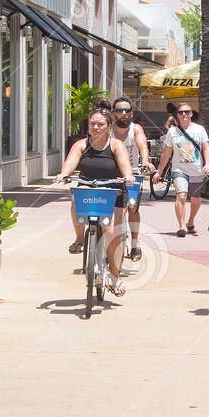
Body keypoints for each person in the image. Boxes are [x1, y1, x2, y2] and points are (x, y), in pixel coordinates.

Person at [56, 109, 134, 296]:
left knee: (111, 234)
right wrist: (64, 174)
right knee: (75, 199)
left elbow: (125, 166)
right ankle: (80, 238)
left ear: (108, 126)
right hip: (88, 187)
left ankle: (115, 278)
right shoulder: (81, 145)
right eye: (93, 124)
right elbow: (70, 162)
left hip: (112, 190)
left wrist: (128, 177)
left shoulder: (116, 145)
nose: (96, 127)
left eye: (100, 124)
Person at [155, 101, 209, 237]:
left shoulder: (199, 129)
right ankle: (181, 226)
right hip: (179, 170)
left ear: (191, 114)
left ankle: (190, 221)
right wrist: (159, 172)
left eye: (187, 112)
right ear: (177, 115)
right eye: (181, 112)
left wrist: (207, 164)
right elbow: (167, 153)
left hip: (197, 169)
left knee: (196, 198)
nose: (184, 114)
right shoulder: (173, 132)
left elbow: (206, 148)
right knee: (181, 195)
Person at [110, 96, 151, 261]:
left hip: (132, 174)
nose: (123, 114)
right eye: (119, 110)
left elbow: (143, 146)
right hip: (111, 174)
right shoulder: (108, 129)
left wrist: (146, 161)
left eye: (127, 110)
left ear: (132, 114)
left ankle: (134, 244)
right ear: (113, 113)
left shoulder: (136, 129)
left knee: (132, 208)